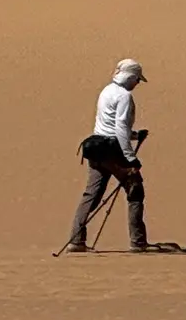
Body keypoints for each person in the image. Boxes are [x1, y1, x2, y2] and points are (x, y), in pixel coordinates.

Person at [61, 58, 151, 253]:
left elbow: (108, 125)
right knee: (135, 190)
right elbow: (119, 128)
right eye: (137, 79)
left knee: (91, 195)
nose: (137, 84)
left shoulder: (106, 91)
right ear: (131, 77)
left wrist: (134, 135)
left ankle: (76, 241)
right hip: (114, 151)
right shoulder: (124, 96)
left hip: (96, 149)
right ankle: (138, 242)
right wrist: (130, 158)